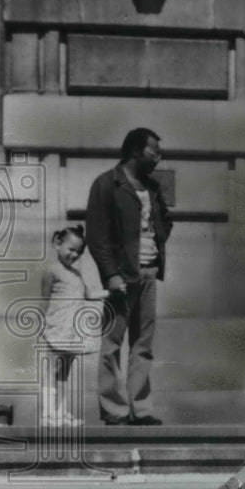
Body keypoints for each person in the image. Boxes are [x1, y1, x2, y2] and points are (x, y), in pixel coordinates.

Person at [85, 127, 172, 425]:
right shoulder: (106, 184)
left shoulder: (153, 187)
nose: (158, 158)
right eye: (153, 152)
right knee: (112, 343)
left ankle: (141, 410)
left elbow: (163, 222)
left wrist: (158, 236)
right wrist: (110, 274)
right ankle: (114, 410)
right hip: (121, 276)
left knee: (143, 346)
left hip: (149, 273)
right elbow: (97, 236)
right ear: (136, 151)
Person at [40, 225, 107, 426]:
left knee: (65, 372)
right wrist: (42, 326)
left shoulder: (77, 274)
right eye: (71, 249)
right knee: (51, 370)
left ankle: (61, 412)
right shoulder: (52, 270)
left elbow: (89, 295)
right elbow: (44, 299)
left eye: (78, 252)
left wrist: (111, 293)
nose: (74, 254)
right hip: (56, 327)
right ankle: (48, 413)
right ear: (57, 244)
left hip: (71, 330)